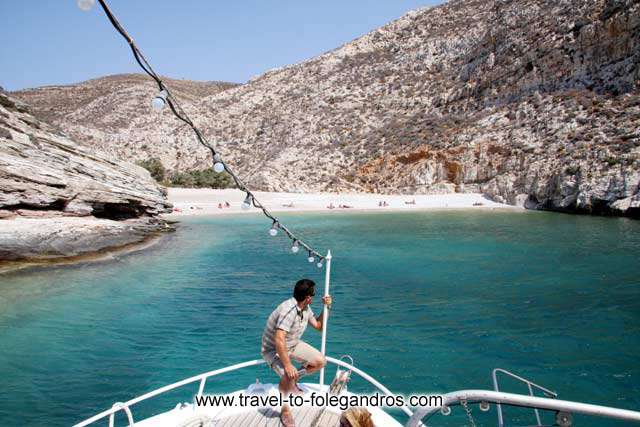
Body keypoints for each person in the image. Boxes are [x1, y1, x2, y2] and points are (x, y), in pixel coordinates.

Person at [261, 279, 332, 427]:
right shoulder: (289, 310)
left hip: (292, 344)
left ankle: (292, 382)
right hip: (273, 348)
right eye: (312, 295)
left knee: (320, 362)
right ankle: (285, 410)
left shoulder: (305, 308)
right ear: (308, 298)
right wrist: (288, 366)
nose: (313, 297)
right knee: (288, 374)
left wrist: (327, 307)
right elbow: (279, 339)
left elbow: (319, 326)